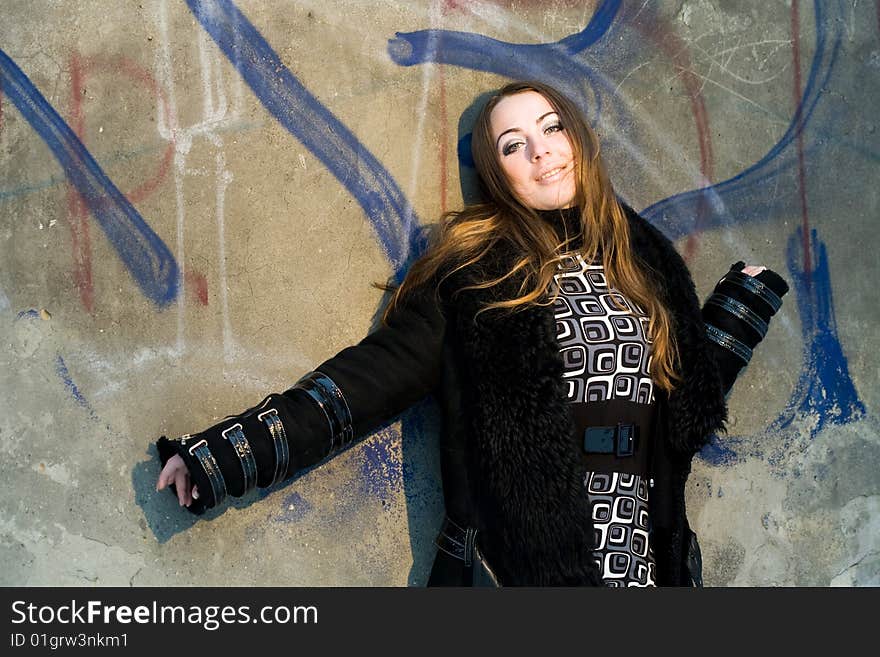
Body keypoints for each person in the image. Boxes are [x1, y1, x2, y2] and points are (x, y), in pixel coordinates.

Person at [155, 80, 788, 587]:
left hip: (650, 549)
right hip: (530, 565)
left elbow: (682, 396)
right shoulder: (481, 278)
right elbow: (362, 384)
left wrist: (741, 310)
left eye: (551, 128)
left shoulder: (638, 255)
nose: (540, 151)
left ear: (578, 139)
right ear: (498, 173)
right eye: (513, 145)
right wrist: (219, 459)